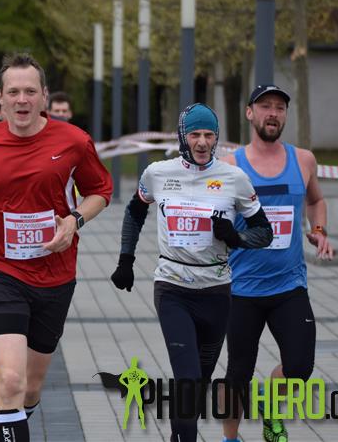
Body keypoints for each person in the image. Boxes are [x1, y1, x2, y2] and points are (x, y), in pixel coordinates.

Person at [0, 53, 112, 442]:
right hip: (0, 269)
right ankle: (9, 425)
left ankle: (7, 426)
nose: (22, 99)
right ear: (0, 98)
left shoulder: (73, 141)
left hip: (55, 274)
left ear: (44, 96)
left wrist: (74, 220)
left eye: (30, 91)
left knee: (31, 388)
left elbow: (100, 190)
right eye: (14, 92)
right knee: (10, 380)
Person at [110, 103, 273, 442]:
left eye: (209, 135)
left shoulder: (234, 178)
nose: (202, 142)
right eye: (195, 135)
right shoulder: (158, 173)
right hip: (172, 288)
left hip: (216, 291)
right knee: (186, 379)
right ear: (182, 137)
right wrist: (125, 260)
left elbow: (264, 232)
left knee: (198, 384)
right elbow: (134, 212)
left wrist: (236, 238)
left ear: (217, 138)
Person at [220, 85, 333, 442]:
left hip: (289, 286)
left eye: (280, 107)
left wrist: (318, 230)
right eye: (265, 106)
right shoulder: (230, 166)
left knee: (300, 366)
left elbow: (316, 201)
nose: (273, 113)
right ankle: (230, 439)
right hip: (241, 289)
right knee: (238, 374)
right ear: (249, 113)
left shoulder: (304, 160)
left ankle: (269, 408)